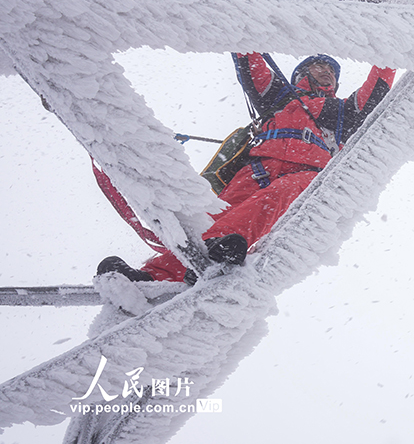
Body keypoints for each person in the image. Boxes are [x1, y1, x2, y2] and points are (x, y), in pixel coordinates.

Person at [98, 53, 396, 283]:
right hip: (256, 168)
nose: (327, 72)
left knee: (275, 199)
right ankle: (155, 275)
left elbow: (377, 86)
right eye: (319, 66)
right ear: (301, 74)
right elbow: (250, 58)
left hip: (305, 174)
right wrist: (244, 29)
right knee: (211, 216)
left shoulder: (341, 111)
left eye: (331, 71)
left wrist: (389, 49)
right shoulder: (279, 96)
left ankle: (224, 249)